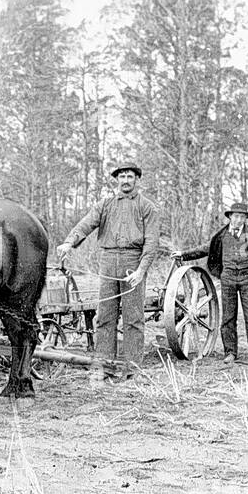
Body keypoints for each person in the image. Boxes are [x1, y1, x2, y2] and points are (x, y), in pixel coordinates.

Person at [55, 163, 161, 383]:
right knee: (105, 315)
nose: (125, 180)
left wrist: (141, 271)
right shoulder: (105, 205)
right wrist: (68, 243)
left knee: (133, 318)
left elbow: (151, 243)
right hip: (108, 260)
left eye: (129, 176)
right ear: (116, 180)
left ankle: (132, 369)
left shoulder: (147, 207)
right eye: (121, 176)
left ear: (137, 180)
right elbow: (86, 224)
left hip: (133, 261)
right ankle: (105, 365)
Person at [173, 202, 248, 367]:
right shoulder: (221, 236)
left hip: (247, 279)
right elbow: (204, 249)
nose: (238, 220)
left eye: (242, 217)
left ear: (245, 219)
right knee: (228, 317)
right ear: (230, 217)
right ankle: (230, 353)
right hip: (228, 279)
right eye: (236, 216)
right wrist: (183, 254)